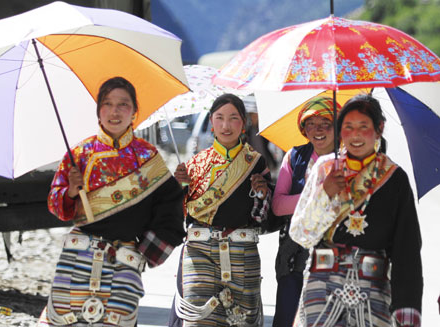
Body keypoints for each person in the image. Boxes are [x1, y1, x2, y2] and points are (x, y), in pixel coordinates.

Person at [38, 77, 186, 326]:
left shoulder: (147, 156)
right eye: (107, 104)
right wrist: (71, 191)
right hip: (78, 258)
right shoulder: (79, 155)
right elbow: (56, 205)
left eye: (123, 104)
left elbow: (170, 211)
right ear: (98, 111)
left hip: (124, 260)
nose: (114, 111)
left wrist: (143, 255)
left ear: (134, 112)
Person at [289, 94, 423, 327]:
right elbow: (301, 235)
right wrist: (326, 193)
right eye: (348, 127)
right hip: (321, 287)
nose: (356, 135)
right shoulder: (325, 169)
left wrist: (407, 309)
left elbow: (406, 249)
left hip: (374, 290)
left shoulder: (394, 178)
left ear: (379, 129)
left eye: (364, 126)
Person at [168, 93, 283, 326]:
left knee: (241, 320)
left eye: (233, 118)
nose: (225, 125)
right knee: (199, 319)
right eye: (219, 118)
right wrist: (179, 186)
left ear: (243, 123)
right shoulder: (194, 164)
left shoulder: (255, 162)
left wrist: (262, 193)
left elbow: (261, 218)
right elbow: (179, 215)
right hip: (199, 253)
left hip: (242, 254)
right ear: (211, 122)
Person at [272, 96, 340, 327]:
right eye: (311, 123)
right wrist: (317, 193)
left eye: (326, 123)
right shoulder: (294, 157)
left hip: (336, 257)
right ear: (303, 129)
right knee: (287, 316)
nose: (318, 130)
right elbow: (278, 205)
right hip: (294, 255)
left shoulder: (350, 160)